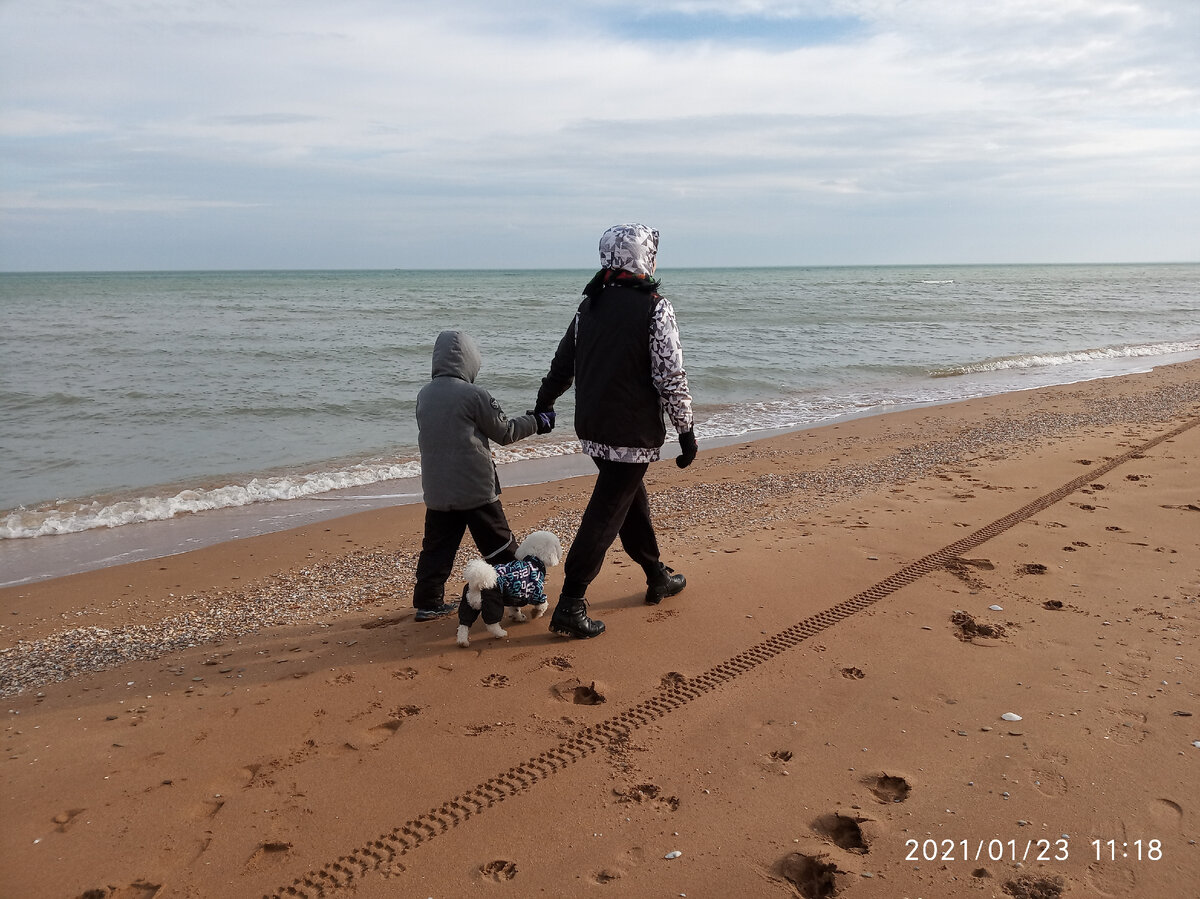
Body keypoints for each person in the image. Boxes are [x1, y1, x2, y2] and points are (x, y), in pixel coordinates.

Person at [534, 223, 697, 639]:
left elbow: (562, 364)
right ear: (644, 257)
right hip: (631, 431)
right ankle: (571, 602)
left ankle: (655, 573)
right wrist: (686, 430)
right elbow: (670, 375)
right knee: (608, 509)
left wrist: (545, 401)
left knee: (627, 497)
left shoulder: (589, 306)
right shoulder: (655, 307)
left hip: (593, 427)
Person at [412, 330, 554, 621]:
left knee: (437, 549)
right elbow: (504, 432)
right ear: (469, 361)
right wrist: (537, 422)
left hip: (438, 489)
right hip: (475, 488)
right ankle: (515, 595)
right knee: (500, 546)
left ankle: (428, 602)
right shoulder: (475, 395)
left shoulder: (424, 395)